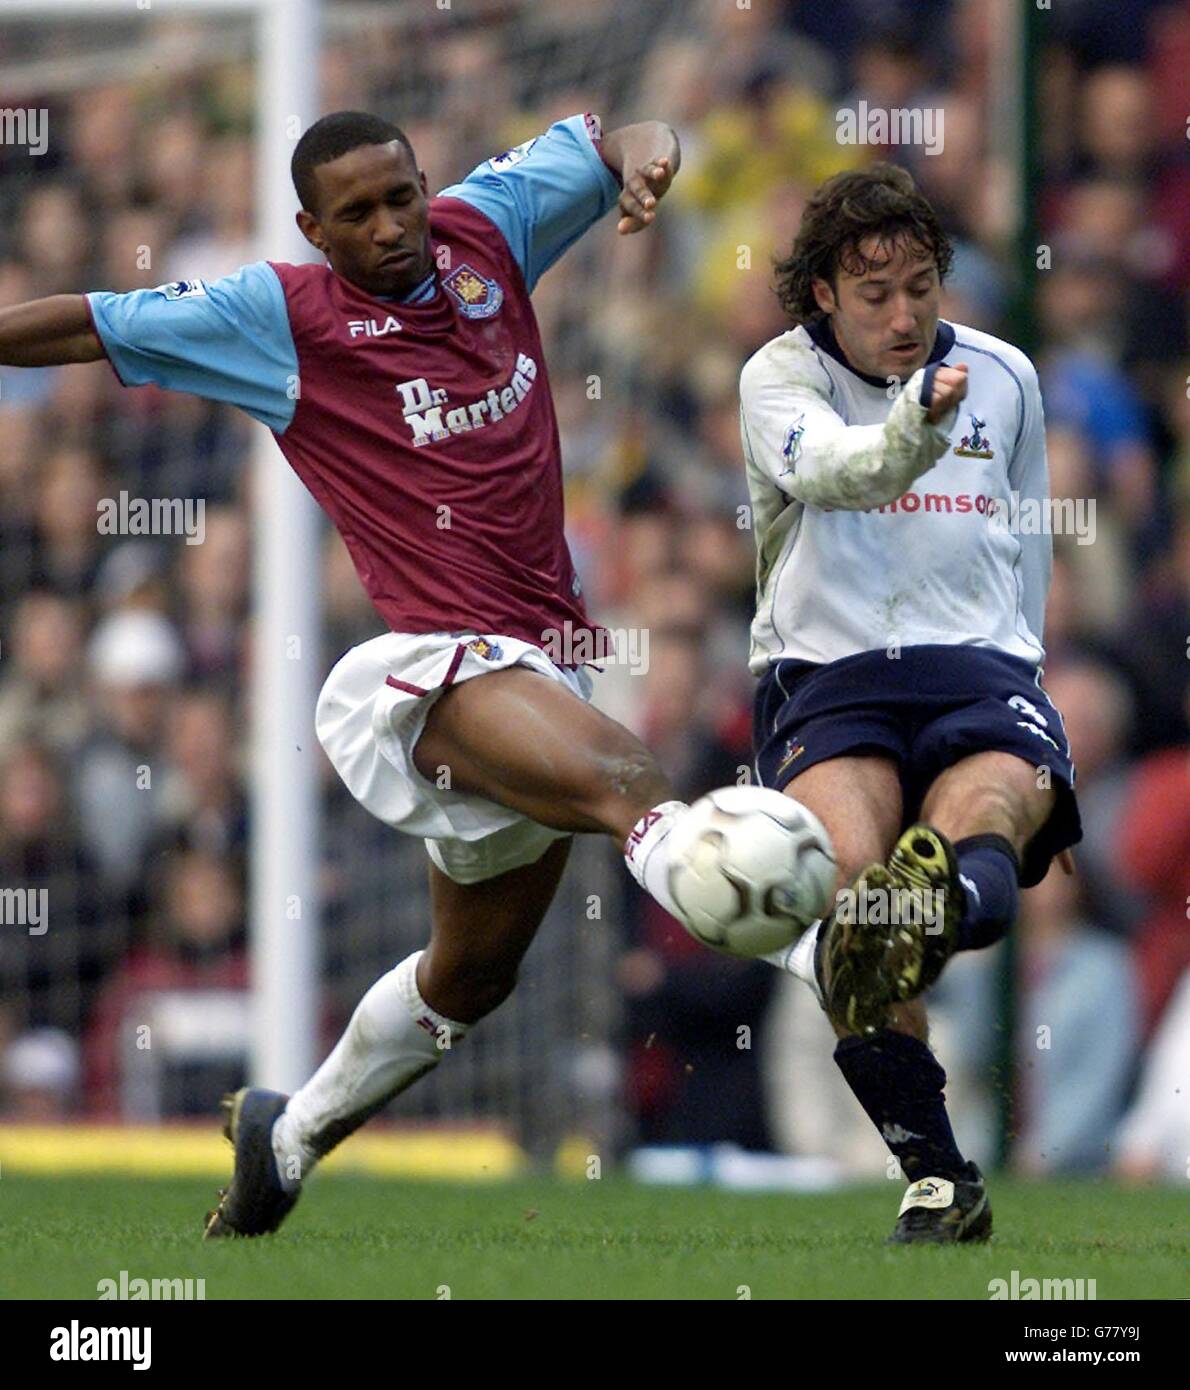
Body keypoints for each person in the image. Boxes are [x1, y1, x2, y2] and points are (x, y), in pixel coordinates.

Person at [0, 108, 734, 1238]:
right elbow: (89, 325)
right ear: (312, 227)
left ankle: (284, 1141)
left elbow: (627, 130)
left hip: (543, 668)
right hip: (426, 673)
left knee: (470, 979)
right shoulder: (275, 317)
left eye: (400, 196)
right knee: (630, 785)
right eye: (357, 214)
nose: (391, 226)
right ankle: (815, 932)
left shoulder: (484, 228)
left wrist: (646, 159)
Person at [740, 163, 1082, 1242]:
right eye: (872, 293)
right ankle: (936, 1173)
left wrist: (1026, 687)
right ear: (821, 297)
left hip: (976, 664)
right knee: (854, 899)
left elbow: (1021, 541)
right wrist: (913, 430)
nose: (901, 315)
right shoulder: (774, 381)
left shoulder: (1004, 376)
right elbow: (841, 471)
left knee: (979, 813)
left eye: (920, 288)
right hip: (829, 677)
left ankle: (948, 897)